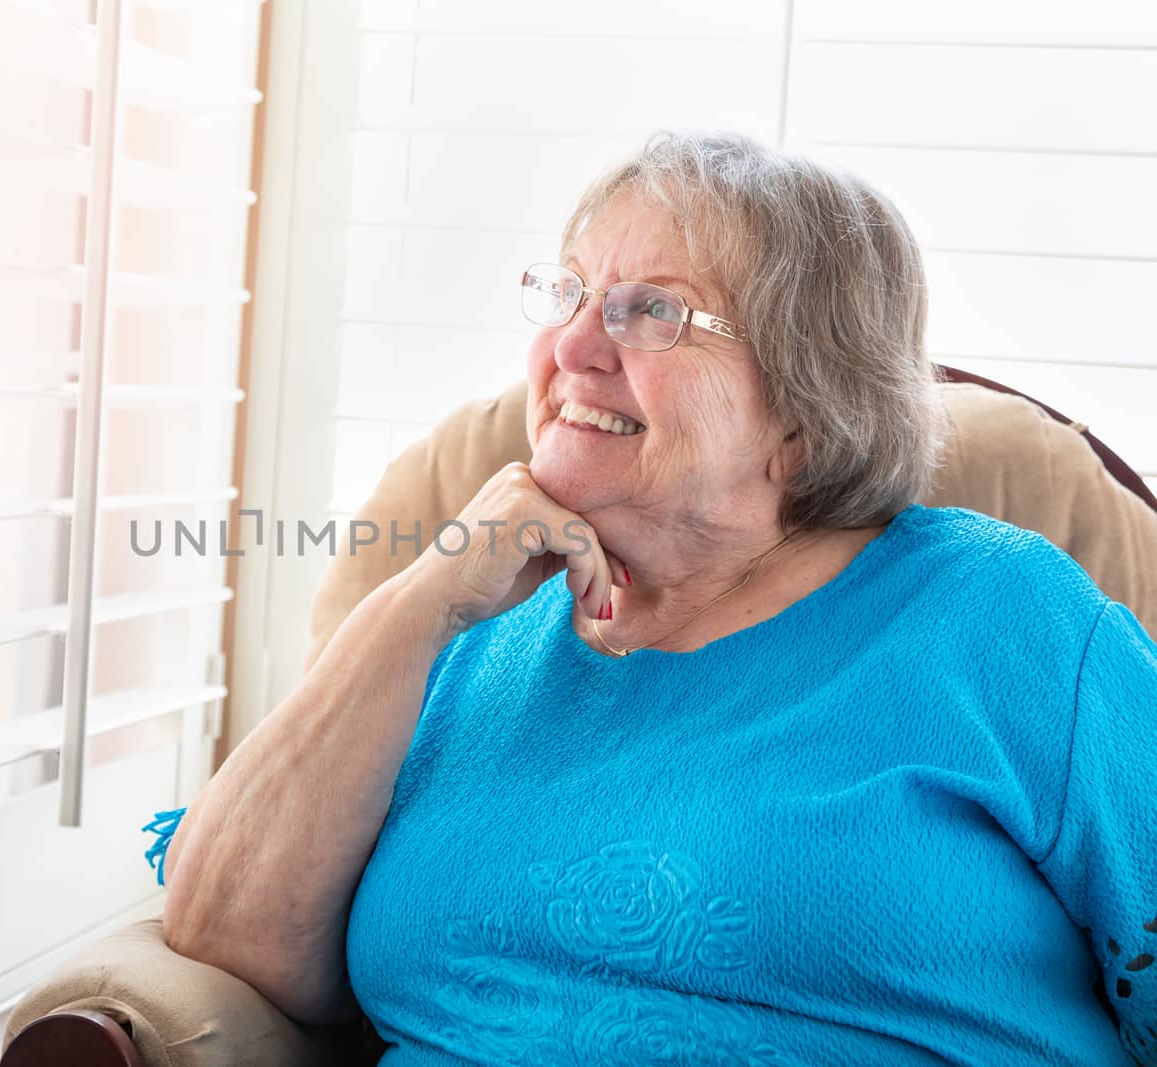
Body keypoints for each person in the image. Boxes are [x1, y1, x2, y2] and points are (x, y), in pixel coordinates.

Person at [142, 130, 1157, 1065]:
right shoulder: (458, 633)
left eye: (651, 311)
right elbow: (229, 939)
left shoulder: (1001, 619)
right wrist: (422, 603)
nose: (573, 349)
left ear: (805, 406)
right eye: (570, 293)